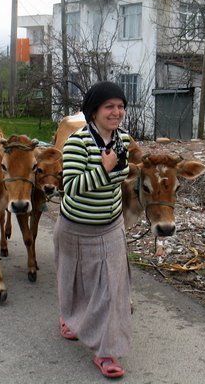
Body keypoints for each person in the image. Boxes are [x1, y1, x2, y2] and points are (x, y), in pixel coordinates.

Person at [53, 81, 133, 379]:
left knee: (112, 289)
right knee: (72, 282)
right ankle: (69, 316)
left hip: (110, 227)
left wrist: (112, 169)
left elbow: (123, 173)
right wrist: (105, 169)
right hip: (75, 227)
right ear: (94, 111)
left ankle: (106, 352)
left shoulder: (123, 139)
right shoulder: (77, 143)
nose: (116, 112)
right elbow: (71, 188)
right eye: (109, 107)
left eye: (121, 106)